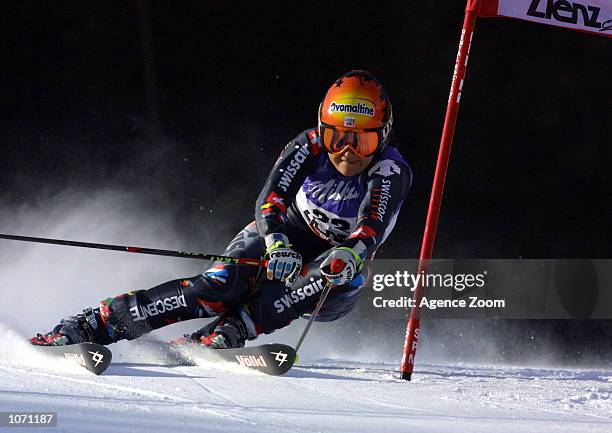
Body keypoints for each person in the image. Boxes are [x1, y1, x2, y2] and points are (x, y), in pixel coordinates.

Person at [30, 70, 412, 349]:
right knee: (216, 287)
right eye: (336, 137)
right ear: (321, 129)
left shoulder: (390, 170)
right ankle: (100, 322)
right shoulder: (308, 147)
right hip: (287, 233)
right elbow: (271, 199)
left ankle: (234, 329)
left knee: (327, 274)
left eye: (360, 141)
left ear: (382, 137)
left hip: (341, 265)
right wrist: (278, 243)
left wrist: (350, 252)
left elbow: (372, 225)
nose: (346, 151)